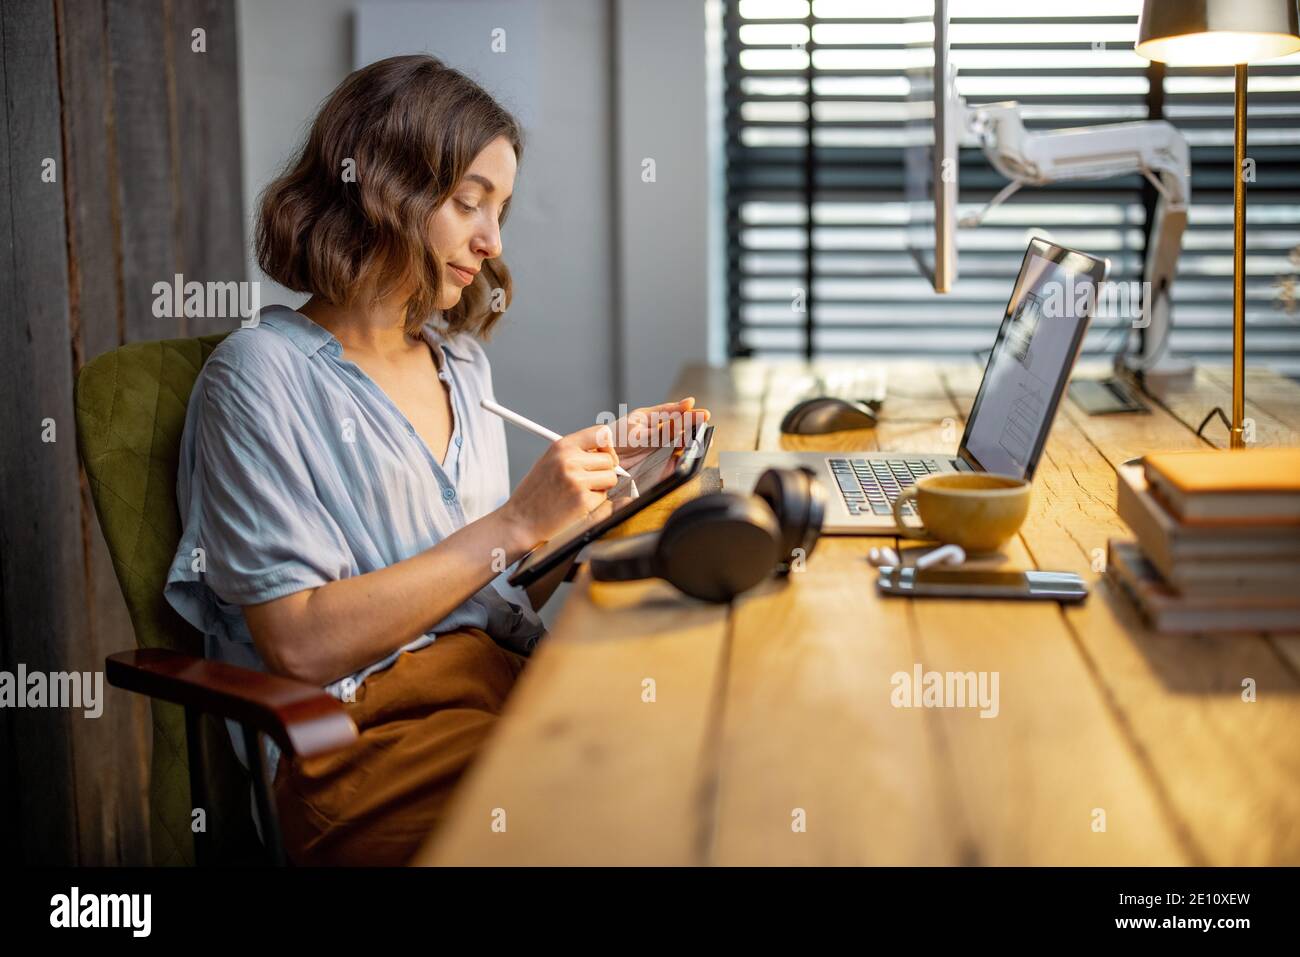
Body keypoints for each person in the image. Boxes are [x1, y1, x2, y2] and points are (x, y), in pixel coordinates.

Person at [164, 54, 708, 865]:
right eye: (468, 204)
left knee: (705, 751)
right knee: (641, 816)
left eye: (502, 211)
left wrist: (598, 501)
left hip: (497, 693)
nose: (491, 242)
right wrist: (516, 519)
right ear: (384, 187)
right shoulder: (257, 377)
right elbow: (300, 644)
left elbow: (481, 588)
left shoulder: (460, 364)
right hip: (365, 747)